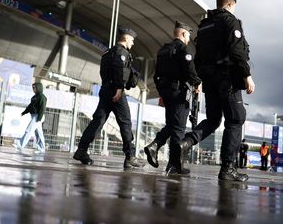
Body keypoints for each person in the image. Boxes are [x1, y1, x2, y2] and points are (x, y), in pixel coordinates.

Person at [179, 0, 256, 181]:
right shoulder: (230, 21)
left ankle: (185, 144)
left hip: (209, 78)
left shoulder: (204, 25)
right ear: (230, 5)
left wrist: (199, 81)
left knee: (213, 119)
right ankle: (228, 168)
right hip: (227, 77)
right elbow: (237, 51)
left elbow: (199, 55)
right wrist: (247, 75)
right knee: (236, 118)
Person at [73, 27, 144, 169]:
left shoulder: (107, 52)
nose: (133, 43)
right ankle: (130, 156)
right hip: (116, 91)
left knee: (98, 121)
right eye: (132, 39)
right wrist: (118, 88)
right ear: (125, 38)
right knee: (125, 122)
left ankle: (81, 150)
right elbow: (118, 69)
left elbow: (104, 71)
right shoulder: (121, 52)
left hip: (105, 89)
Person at [144, 21, 201, 174]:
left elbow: (156, 76)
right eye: (188, 35)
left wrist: (162, 92)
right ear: (183, 33)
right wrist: (198, 83)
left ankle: (155, 146)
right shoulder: (183, 50)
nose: (189, 38)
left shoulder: (163, 50)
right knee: (178, 128)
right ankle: (174, 165)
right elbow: (190, 70)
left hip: (167, 93)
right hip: (179, 93)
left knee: (171, 125)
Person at [13, 82, 47, 153]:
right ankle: (41, 148)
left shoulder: (42, 97)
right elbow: (30, 106)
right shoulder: (34, 97)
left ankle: (21, 144)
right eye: (33, 88)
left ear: (39, 88)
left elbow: (42, 108)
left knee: (29, 129)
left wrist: (39, 118)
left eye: (34, 88)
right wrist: (24, 112)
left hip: (38, 116)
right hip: (34, 116)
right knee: (38, 132)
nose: (33, 89)